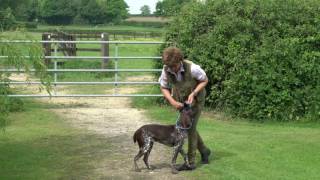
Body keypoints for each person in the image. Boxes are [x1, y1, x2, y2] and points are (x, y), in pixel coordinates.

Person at [159, 47, 211, 170]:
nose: (172, 69)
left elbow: (204, 80)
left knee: (190, 129)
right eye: (169, 67)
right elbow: (163, 87)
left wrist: (194, 93)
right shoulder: (166, 69)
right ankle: (204, 151)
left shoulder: (193, 68)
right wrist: (172, 101)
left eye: (174, 66)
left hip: (197, 101)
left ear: (180, 61)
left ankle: (190, 162)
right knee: (189, 127)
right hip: (181, 102)